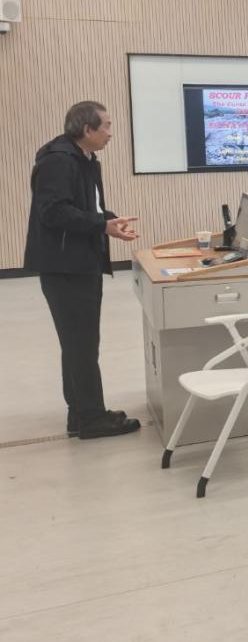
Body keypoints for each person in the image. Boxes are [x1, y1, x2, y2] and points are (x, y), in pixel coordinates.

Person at [26, 101, 141, 439]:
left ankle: (80, 414)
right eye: (106, 126)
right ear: (87, 129)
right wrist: (101, 225)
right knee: (81, 343)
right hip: (66, 266)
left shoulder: (85, 158)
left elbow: (88, 207)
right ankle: (91, 418)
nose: (110, 133)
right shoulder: (58, 161)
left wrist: (109, 220)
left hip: (80, 261)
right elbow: (53, 212)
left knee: (79, 343)